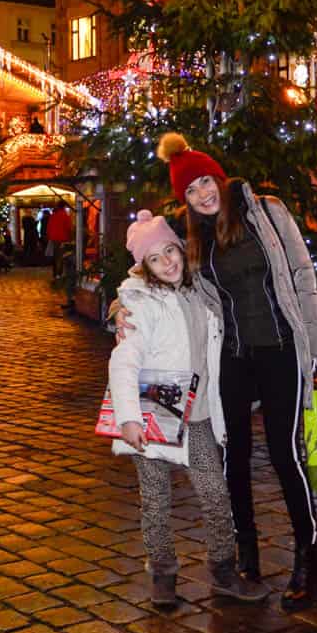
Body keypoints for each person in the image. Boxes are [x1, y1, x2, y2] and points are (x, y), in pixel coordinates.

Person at [114, 133, 317, 611]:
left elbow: (301, 276)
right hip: (230, 356)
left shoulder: (267, 211)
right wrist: (118, 308)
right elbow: (146, 270)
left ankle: (307, 560)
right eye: (191, 191)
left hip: (279, 348)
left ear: (219, 177)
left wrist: (315, 348)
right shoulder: (190, 233)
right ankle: (245, 554)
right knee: (233, 458)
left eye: (206, 182)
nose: (202, 195)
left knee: (284, 453)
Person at [108, 211, 266, 608]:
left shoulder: (202, 292)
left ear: (181, 248)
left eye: (170, 251)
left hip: (196, 415)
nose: (168, 262)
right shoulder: (140, 302)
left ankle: (223, 568)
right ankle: (162, 572)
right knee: (155, 498)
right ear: (143, 267)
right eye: (155, 258)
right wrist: (127, 416)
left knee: (214, 492)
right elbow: (124, 360)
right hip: (151, 414)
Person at [47, 201, 73, 278]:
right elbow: (69, 228)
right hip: (63, 239)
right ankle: (59, 273)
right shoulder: (65, 216)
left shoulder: (53, 216)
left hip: (54, 239)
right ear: (64, 207)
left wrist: (49, 237)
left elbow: (48, 228)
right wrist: (70, 238)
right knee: (61, 257)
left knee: (55, 256)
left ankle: (55, 273)